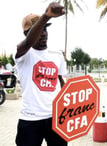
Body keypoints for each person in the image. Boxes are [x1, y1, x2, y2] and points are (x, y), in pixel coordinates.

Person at [14, 2, 67, 146]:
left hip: (55, 118)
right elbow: (26, 44)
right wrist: (46, 16)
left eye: (45, 29)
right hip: (30, 120)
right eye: (38, 30)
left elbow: (62, 82)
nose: (43, 33)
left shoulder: (57, 55)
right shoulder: (22, 54)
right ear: (27, 34)